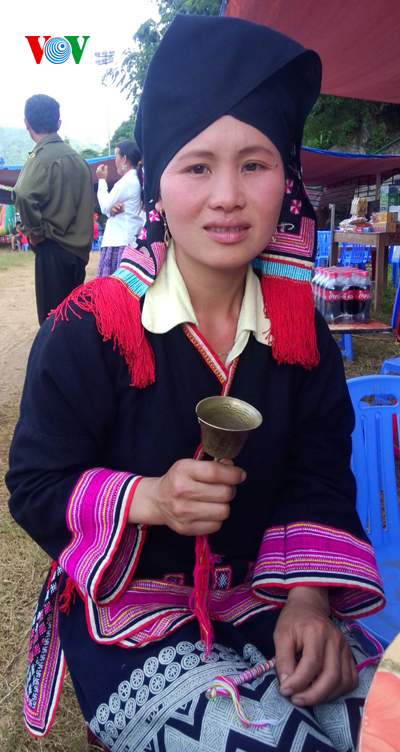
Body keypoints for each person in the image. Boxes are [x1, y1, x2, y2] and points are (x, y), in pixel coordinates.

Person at [6, 16, 385, 752]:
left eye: (255, 163)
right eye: (197, 166)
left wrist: (310, 599)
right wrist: (147, 498)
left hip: (269, 596)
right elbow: (35, 484)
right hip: (133, 618)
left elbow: (318, 473)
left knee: (377, 721)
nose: (228, 196)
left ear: (287, 179)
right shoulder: (89, 329)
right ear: (156, 180)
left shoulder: (301, 333)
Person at [12, 94, 93, 324]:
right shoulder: (79, 160)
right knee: (73, 319)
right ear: (58, 123)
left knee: (52, 323)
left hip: (52, 249)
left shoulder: (39, 157)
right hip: (78, 254)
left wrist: (34, 231)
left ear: (26, 123)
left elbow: (22, 193)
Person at [95, 140, 143, 276]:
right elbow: (109, 209)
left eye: (116, 157)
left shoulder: (127, 181)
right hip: (126, 240)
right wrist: (111, 211)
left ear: (124, 159)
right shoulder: (134, 179)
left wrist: (102, 179)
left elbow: (105, 207)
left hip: (119, 243)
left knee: (115, 286)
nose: (115, 162)